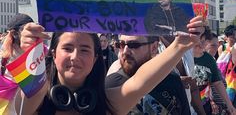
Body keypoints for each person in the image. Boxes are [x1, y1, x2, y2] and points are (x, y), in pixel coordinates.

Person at [15, 16, 203, 115]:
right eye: (67, 48)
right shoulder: (35, 101)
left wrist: (179, 46)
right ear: (53, 54)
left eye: (84, 50)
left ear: (96, 58)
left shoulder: (107, 104)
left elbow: (141, 81)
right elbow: (31, 90)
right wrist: (29, 51)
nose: (75, 56)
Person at [105, 34, 191, 114]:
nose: (125, 51)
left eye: (134, 45)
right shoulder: (112, 85)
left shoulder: (172, 80)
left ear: (154, 47)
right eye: (121, 45)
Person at [193, 30, 236, 114]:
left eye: (204, 40)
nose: (201, 43)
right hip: (188, 105)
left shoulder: (209, 59)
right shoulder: (183, 57)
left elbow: (217, 83)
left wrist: (230, 106)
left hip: (205, 105)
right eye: (198, 39)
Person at [0, 13, 34, 114]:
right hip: (8, 108)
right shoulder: (3, 56)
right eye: (28, 30)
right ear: (15, 33)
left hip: (28, 106)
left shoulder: (39, 53)